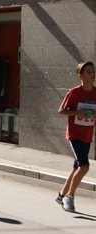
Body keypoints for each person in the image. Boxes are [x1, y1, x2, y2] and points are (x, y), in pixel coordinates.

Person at [55, 61, 96, 212]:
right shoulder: (74, 92)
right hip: (75, 134)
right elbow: (61, 110)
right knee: (84, 166)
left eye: (93, 71)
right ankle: (69, 197)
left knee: (76, 169)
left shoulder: (95, 92)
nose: (92, 75)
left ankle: (60, 195)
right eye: (89, 72)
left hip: (87, 134)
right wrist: (78, 113)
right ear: (80, 76)